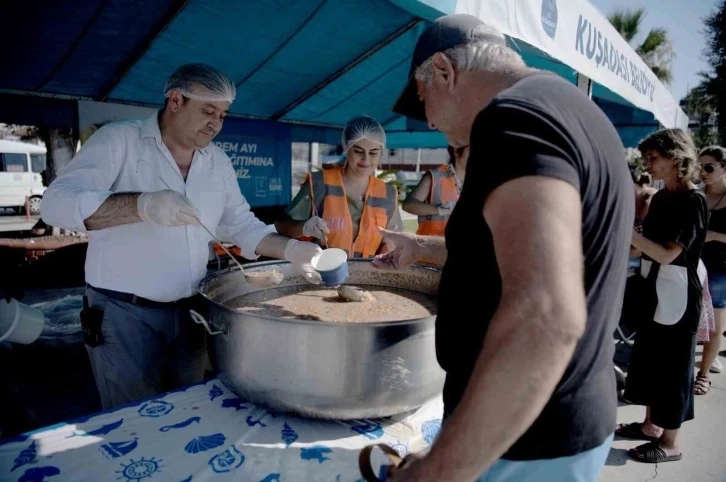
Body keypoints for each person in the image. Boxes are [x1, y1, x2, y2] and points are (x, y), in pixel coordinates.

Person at [372, 14, 633, 482]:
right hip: (551, 426)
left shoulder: (513, 118)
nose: (429, 122)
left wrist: (440, 470)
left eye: (423, 101)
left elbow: (545, 316)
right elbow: (520, 258)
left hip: (524, 441)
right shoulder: (568, 107)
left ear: (445, 72)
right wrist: (419, 244)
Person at [40, 63, 322, 410]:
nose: (216, 124)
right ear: (175, 100)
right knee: (132, 416)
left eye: (223, 114)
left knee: (187, 405)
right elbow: (54, 205)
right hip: (124, 311)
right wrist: (141, 205)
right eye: (207, 111)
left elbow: (240, 225)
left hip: (190, 310)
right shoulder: (120, 141)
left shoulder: (216, 161)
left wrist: (292, 249)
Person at [619, 129, 708, 463]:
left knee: (674, 367)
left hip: (678, 293)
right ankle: (650, 426)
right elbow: (642, 244)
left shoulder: (693, 200)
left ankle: (671, 442)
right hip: (651, 287)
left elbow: (669, 253)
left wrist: (627, 233)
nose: (648, 165)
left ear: (675, 158)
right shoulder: (660, 198)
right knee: (650, 359)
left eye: (653, 158)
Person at [275, 115, 402, 257]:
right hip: (323, 273)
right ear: (347, 147)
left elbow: (393, 239)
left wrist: (386, 251)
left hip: (368, 275)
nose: (366, 159)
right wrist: (304, 227)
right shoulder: (319, 184)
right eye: (358, 151)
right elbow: (282, 225)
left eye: (373, 153)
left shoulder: (388, 194)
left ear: (381, 152)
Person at [695, 145, 726, 393]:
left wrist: (713, 235)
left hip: (719, 268)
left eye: (709, 167)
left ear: (723, 167)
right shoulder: (696, 195)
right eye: (700, 167)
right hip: (692, 264)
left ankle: (703, 376)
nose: (703, 172)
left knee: (715, 325)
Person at [402, 145, 468, 236]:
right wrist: (441, 209)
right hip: (432, 245)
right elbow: (408, 205)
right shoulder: (435, 176)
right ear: (456, 151)